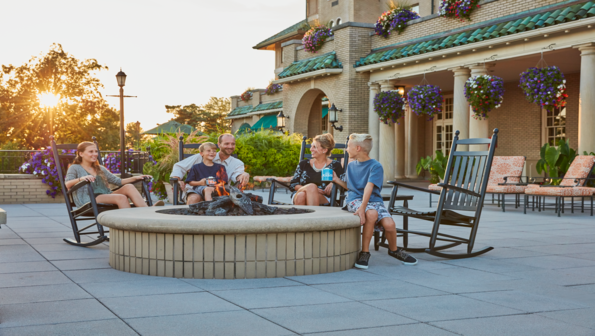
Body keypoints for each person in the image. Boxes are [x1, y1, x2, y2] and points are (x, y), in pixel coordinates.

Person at [331, 134, 417, 269]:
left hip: (373, 201)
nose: (346, 150)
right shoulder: (351, 166)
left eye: (348, 146)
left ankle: (394, 250)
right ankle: (364, 252)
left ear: (358, 148)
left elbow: (369, 187)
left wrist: (363, 207)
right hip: (354, 200)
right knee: (371, 214)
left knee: (389, 224)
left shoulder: (375, 166)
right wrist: (337, 180)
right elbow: (352, 187)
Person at [65, 142, 163, 208]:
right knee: (121, 197)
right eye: (91, 151)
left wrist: (136, 177)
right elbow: (67, 184)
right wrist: (81, 179)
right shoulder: (75, 167)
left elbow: (118, 181)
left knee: (129, 186)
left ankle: (147, 212)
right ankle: (132, 225)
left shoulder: (100, 168)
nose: (95, 154)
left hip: (106, 194)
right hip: (88, 198)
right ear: (81, 154)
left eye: (95, 151)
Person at [170, 134, 250, 204]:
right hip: (196, 190)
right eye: (226, 143)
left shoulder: (238, 163)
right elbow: (179, 166)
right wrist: (177, 178)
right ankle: (190, 220)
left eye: (233, 144)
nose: (230, 146)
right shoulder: (204, 156)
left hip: (219, 192)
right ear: (219, 144)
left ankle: (211, 217)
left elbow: (237, 176)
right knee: (194, 199)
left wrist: (242, 175)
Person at [290, 134, 345, 206]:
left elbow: (344, 184)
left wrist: (333, 183)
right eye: (311, 146)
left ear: (324, 150)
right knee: (306, 191)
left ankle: (302, 217)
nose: (311, 149)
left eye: (314, 147)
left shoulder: (335, 165)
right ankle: (315, 217)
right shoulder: (303, 164)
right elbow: (293, 184)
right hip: (300, 193)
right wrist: (311, 189)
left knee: (302, 195)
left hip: (323, 197)